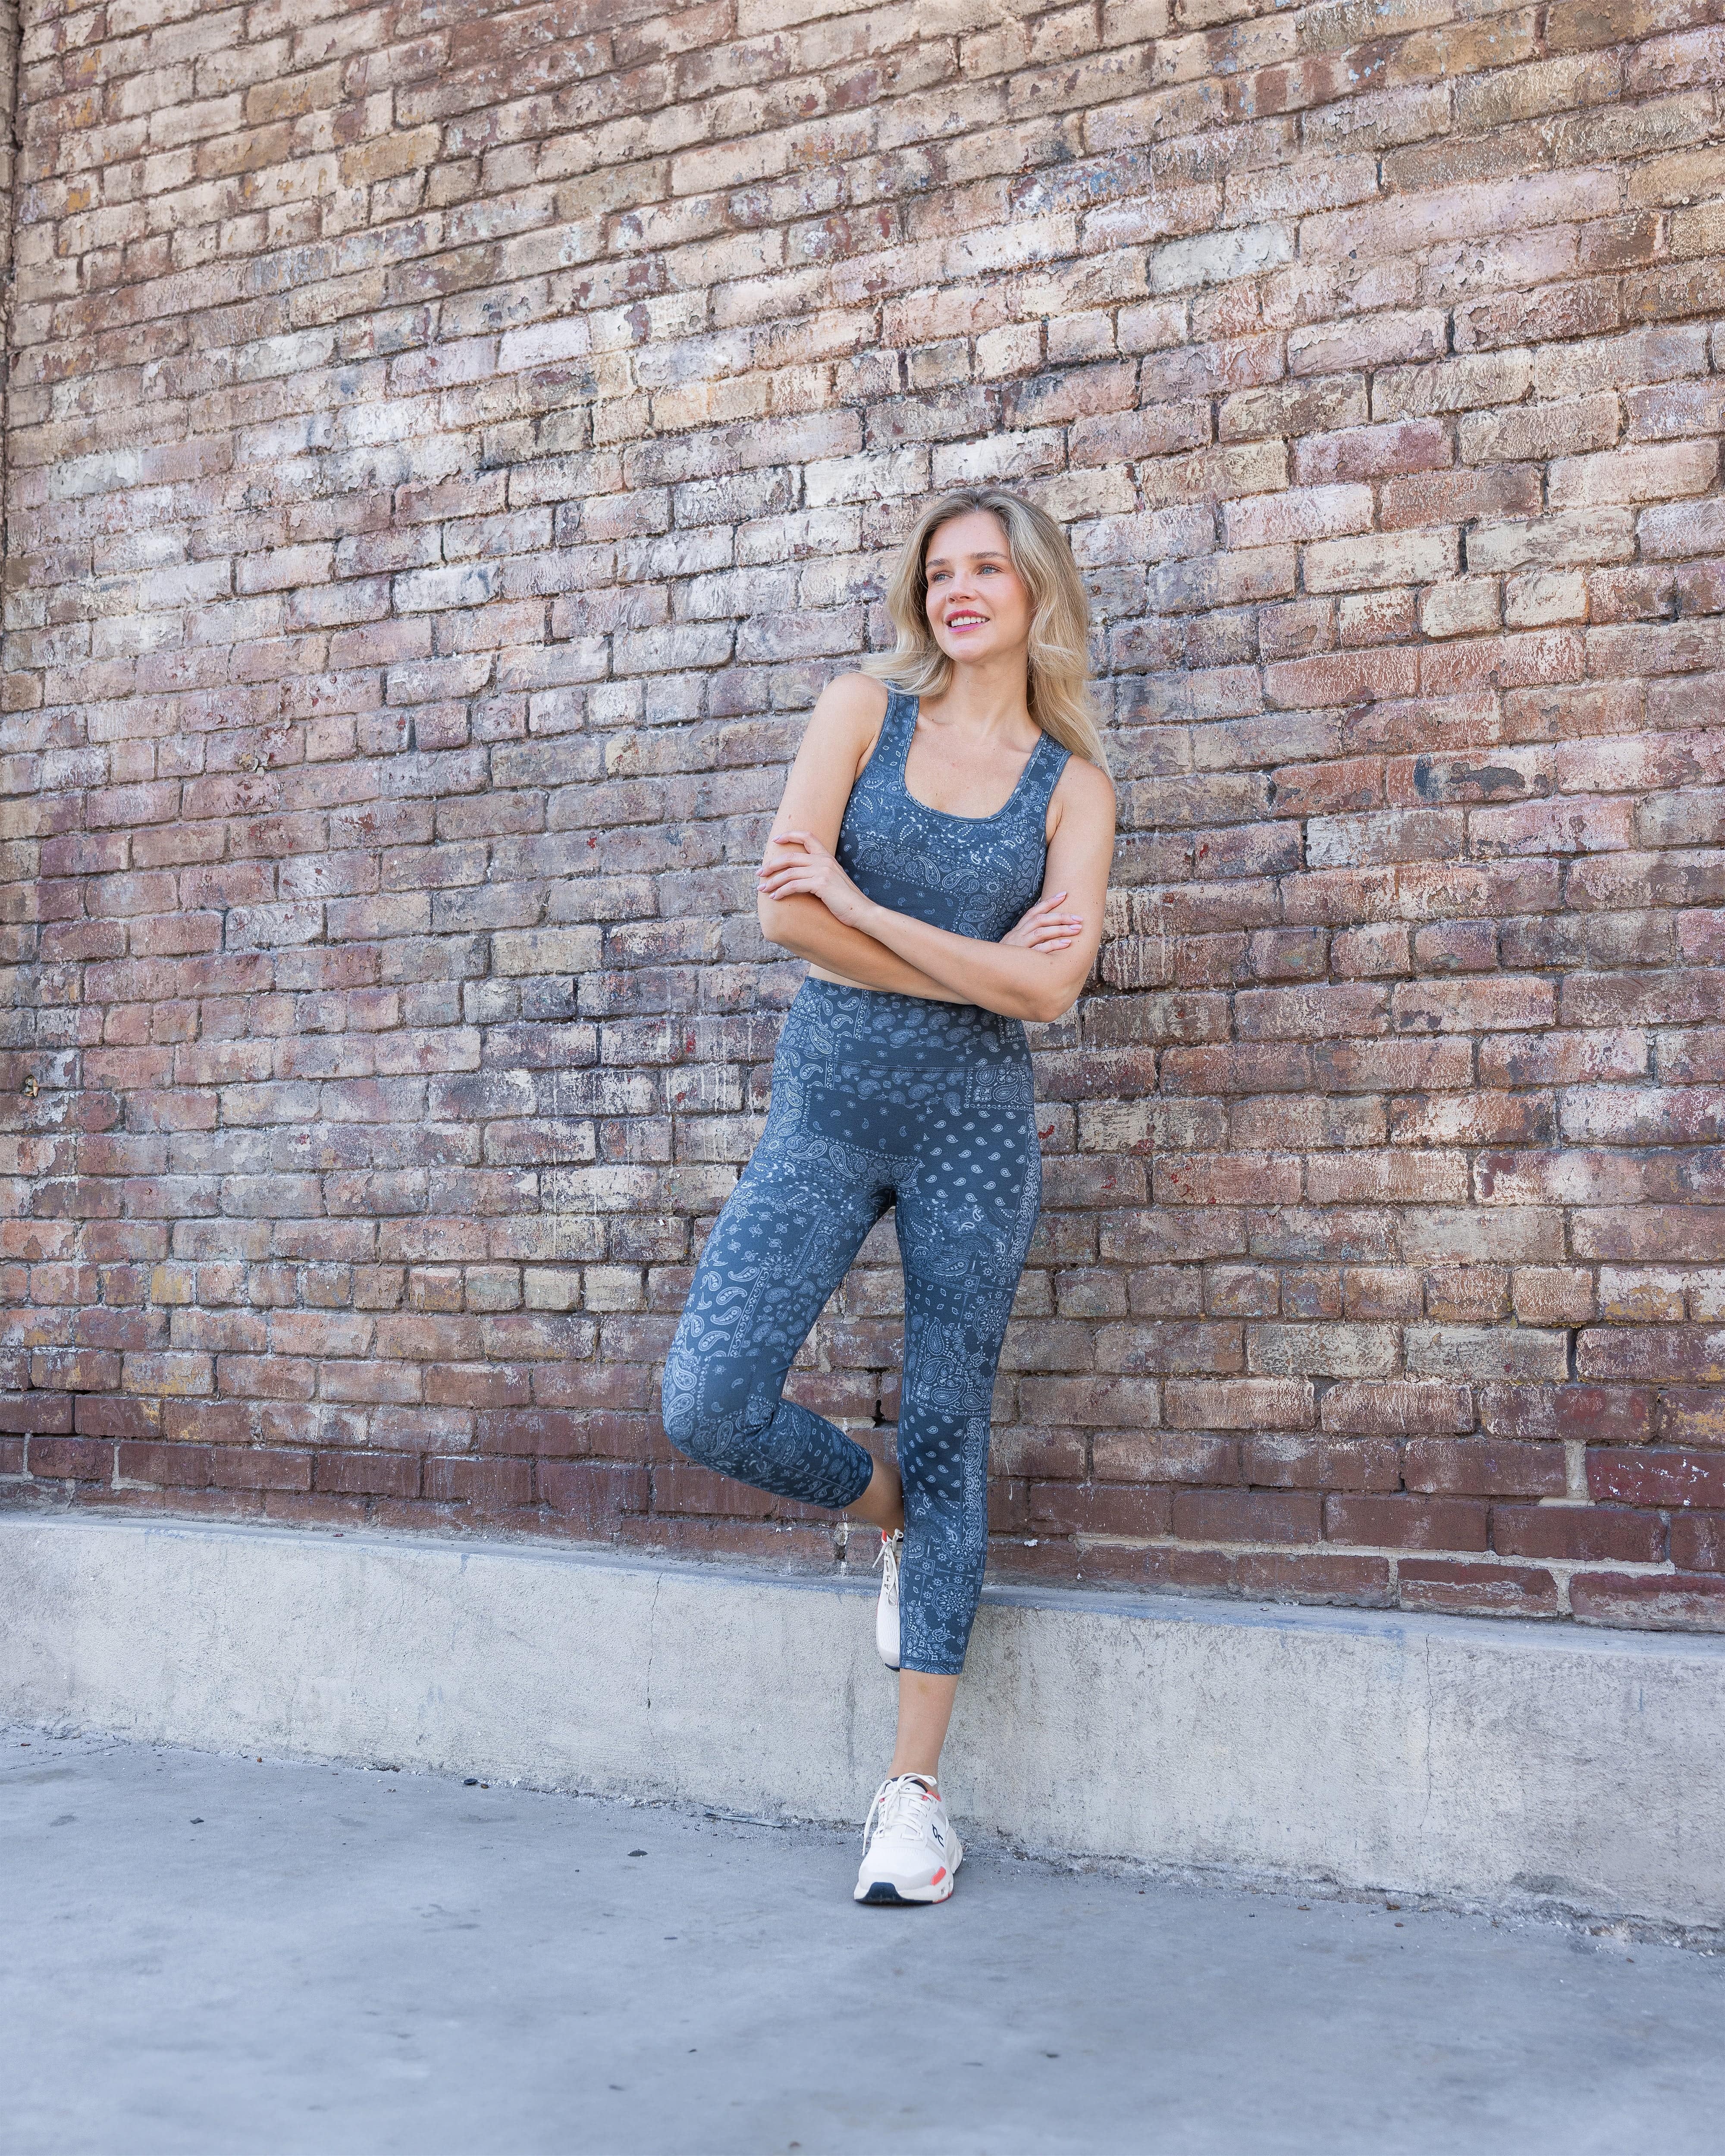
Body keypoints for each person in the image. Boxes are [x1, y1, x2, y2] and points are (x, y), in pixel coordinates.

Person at [659, 486, 1117, 1904]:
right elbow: (781, 910)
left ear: (1037, 592)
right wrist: (981, 967)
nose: (958, 590)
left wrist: (860, 911)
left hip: (974, 1138)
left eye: (987, 568)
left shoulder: (1074, 790)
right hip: (827, 1114)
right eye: (939, 572)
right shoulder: (861, 711)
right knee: (708, 1399)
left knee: (948, 1422)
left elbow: (1053, 992)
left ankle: (914, 1800)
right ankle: (891, 1512)